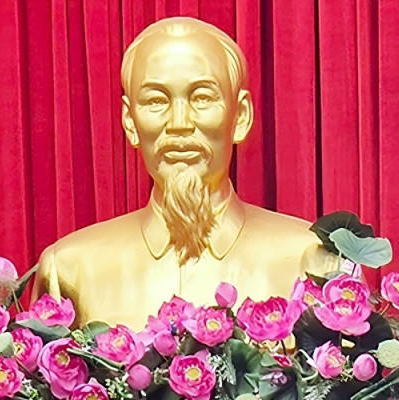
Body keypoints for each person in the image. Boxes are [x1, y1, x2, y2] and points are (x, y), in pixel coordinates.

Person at [35, 17, 338, 328]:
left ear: (241, 116)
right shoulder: (70, 270)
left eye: (202, 98)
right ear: (130, 121)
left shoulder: (316, 263)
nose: (179, 123)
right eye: (156, 101)